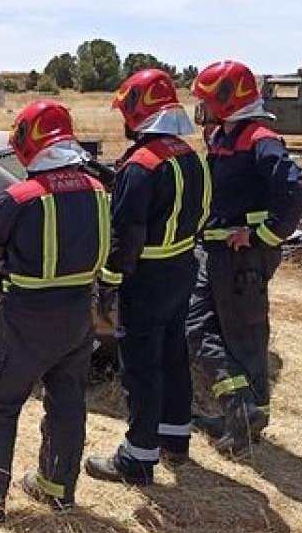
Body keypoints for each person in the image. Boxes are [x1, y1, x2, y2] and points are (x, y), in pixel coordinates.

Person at [0, 101, 110, 521]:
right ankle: (56, 488)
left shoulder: (21, 197)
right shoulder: (98, 189)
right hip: (77, 313)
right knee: (67, 401)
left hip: (27, 313)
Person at [84, 69, 210, 485]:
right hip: (183, 268)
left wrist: (109, 279)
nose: (122, 119)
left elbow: (128, 236)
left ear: (139, 111)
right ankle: (175, 435)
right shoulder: (189, 156)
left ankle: (137, 458)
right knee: (173, 353)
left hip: (146, 276)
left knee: (139, 366)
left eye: (125, 110)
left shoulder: (141, 165)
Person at [186, 60, 302, 457]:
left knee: (244, 338)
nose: (201, 108)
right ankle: (244, 412)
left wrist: (260, 236)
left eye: (207, 100)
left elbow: (296, 195)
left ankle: (242, 417)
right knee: (204, 328)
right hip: (222, 253)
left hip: (242, 259)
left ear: (228, 100)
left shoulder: (260, 138)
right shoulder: (227, 134)